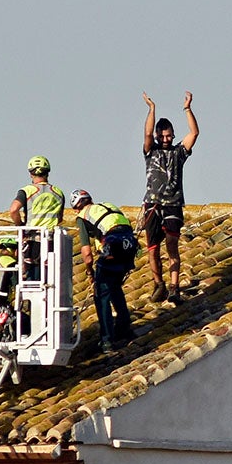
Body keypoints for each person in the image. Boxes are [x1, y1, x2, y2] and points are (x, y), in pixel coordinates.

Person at [142, 91, 198, 304]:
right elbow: (147, 135)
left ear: (173, 136)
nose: (166, 139)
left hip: (173, 204)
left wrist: (187, 108)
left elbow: (194, 133)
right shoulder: (151, 151)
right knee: (153, 249)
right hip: (153, 205)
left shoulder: (178, 153)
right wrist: (152, 109)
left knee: (172, 244)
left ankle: (175, 287)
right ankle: (159, 283)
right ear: (157, 136)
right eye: (162, 136)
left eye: (169, 136)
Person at [71, 189, 136, 354]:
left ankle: (107, 340)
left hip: (112, 251)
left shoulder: (82, 217)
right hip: (128, 249)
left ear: (77, 207)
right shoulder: (109, 206)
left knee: (101, 296)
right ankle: (125, 328)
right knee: (115, 288)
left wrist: (89, 272)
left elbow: (87, 254)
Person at [8, 155, 64, 281]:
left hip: (32, 241)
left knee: (31, 279)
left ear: (31, 174)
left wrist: (20, 225)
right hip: (51, 241)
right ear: (47, 172)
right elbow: (59, 218)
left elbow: (13, 210)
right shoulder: (58, 192)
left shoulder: (27, 191)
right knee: (50, 279)